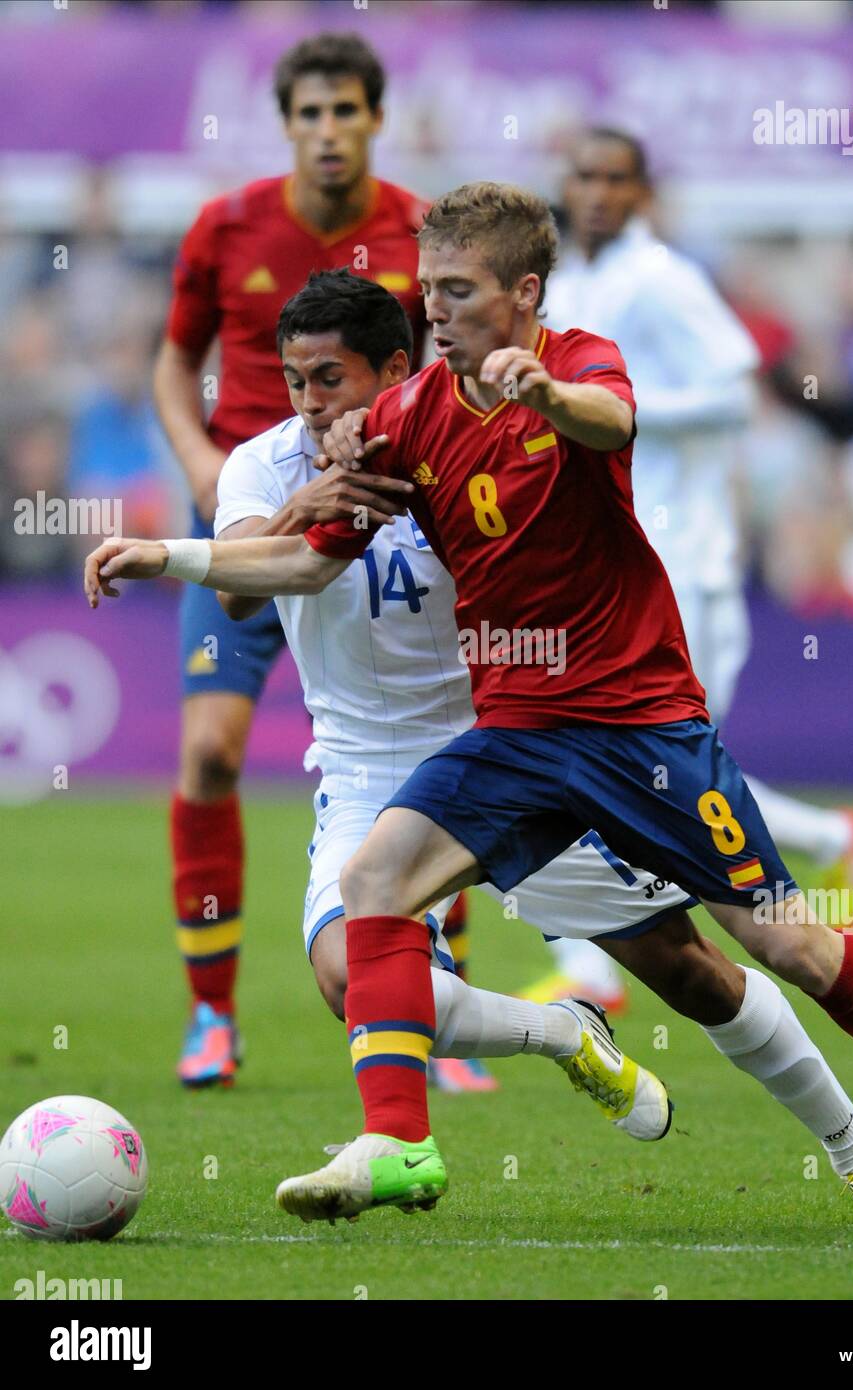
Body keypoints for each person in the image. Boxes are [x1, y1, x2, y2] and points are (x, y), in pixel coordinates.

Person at [87, 188, 853, 1242]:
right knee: (374, 883)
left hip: (639, 724)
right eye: (427, 287)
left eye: (456, 289)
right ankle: (400, 1139)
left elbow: (613, 420)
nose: (435, 308)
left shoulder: (580, 359)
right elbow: (303, 560)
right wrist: (170, 553)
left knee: (783, 948)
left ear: (522, 292)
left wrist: (541, 392)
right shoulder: (401, 419)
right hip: (511, 735)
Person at [150, 32, 495, 1090]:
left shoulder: (417, 231)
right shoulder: (227, 225)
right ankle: (212, 1015)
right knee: (210, 753)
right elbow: (175, 357)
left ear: (375, 119)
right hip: (253, 512)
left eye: (346, 111)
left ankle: (434, 984)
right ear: (286, 123)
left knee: (436, 731)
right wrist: (209, 469)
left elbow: (453, 365)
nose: (327, 131)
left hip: (387, 511)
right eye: (309, 114)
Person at [536, 129, 853, 1010]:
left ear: (642, 192)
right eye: (584, 175)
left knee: (662, 768)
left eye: (616, 178)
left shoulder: (663, 278)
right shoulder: (572, 286)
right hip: (608, 559)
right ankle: (592, 971)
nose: (599, 193)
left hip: (683, 558)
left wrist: (621, 408)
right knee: (628, 763)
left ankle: (597, 970)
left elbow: (734, 389)